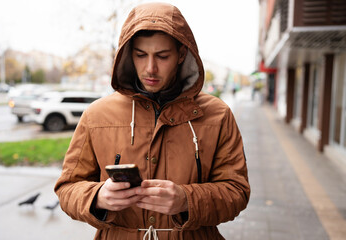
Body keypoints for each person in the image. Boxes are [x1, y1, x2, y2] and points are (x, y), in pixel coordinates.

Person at [55, 2, 250, 239]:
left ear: (181, 54)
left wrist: (186, 200)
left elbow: (237, 191)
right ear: (128, 55)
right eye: (140, 55)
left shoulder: (218, 114)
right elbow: (67, 188)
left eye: (162, 56)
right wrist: (97, 197)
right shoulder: (96, 115)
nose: (150, 68)